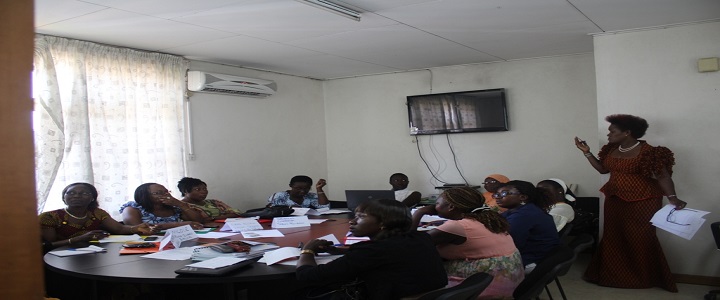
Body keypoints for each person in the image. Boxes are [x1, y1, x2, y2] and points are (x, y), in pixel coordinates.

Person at [574, 114, 685, 292]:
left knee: (640, 237)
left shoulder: (650, 152)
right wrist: (586, 152)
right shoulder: (611, 149)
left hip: (643, 200)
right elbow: (603, 169)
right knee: (614, 235)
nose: (608, 134)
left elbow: (663, 176)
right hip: (614, 199)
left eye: (612, 131)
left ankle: (642, 278)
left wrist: (672, 198)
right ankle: (613, 276)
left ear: (627, 132)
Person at [296, 199, 447, 299]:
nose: (353, 222)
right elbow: (392, 255)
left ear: (383, 223)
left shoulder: (372, 251)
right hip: (429, 295)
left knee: (301, 293)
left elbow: (307, 276)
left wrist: (307, 251)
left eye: (361, 217)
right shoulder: (420, 237)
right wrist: (340, 251)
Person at [411, 187, 524, 299]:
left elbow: (410, 245)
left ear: (451, 207)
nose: (434, 207)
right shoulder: (487, 219)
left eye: (437, 204)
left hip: (486, 288)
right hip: (508, 281)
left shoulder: (458, 227)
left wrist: (420, 212)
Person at [40, 183, 152, 250]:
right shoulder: (49, 217)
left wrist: (136, 228)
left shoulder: (97, 213)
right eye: (71, 193)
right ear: (64, 198)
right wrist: (77, 239)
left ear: (92, 198)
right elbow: (48, 245)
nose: (77, 196)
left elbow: (120, 228)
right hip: (58, 258)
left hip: (93, 252)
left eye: (83, 193)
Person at [495, 180, 559, 273]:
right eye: (496, 194)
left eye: (504, 193)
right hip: (531, 255)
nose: (498, 197)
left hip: (530, 261)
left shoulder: (524, 215)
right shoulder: (519, 210)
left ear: (523, 197)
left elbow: (510, 244)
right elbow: (497, 220)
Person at [120, 183, 204, 231]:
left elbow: (198, 221)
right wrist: (179, 225)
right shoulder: (132, 208)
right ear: (144, 196)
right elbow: (139, 228)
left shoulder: (173, 207)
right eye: (158, 193)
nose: (165, 195)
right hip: (146, 244)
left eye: (166, 192)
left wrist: (180, 204)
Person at [178, 177, 242, 222]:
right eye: (197, 189)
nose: (204, 192)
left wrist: (213, 218)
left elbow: (236, 212)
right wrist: (225, 216)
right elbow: (201, 220)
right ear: (185, 191)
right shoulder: (182, 206)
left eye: (204, 189)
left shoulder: (214, 202)